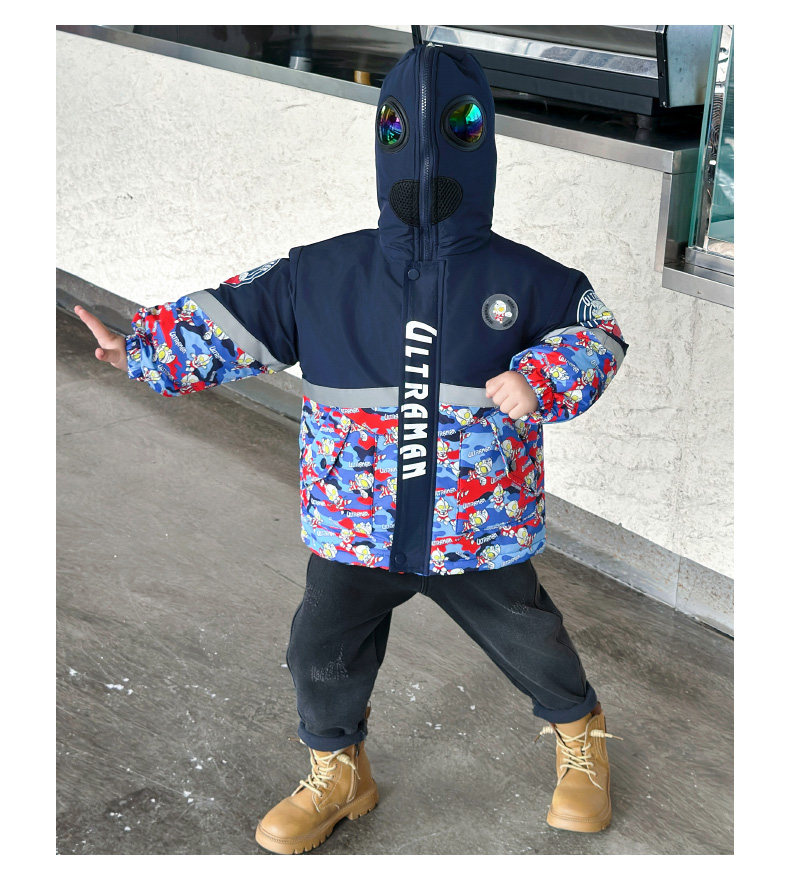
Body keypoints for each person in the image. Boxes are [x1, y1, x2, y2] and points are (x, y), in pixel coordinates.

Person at [75, 43, 627, 854]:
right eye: (401, 129)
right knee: (319, 649)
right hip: (358, 528)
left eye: (459, 127)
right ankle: (339, 771)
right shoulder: (324, 272)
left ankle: (582, 739)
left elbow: (599, 333)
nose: (428, 153)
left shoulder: (531, 278)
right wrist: (144, 349)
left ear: (483, 142)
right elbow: (232, 318)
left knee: (531, 636)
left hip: (476, 531)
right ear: (382, 139)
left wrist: (541, 376)